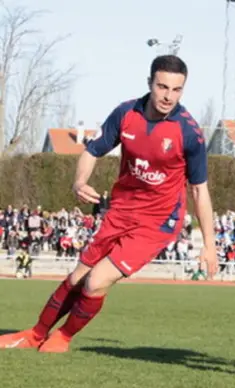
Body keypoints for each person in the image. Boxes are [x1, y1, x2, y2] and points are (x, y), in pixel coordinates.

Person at [0, 55, 218, 353]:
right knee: (77, 277)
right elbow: (92, 151)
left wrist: (209, 244)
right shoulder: (126, 113)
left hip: (156, 222)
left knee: (95, 282)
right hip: (121, 211)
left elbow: (199, 191)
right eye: (162, 86)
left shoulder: (189, 133)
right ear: (150, 83)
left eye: (177, 90)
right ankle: (35, 335)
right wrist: (79, 181)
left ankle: (62, 337)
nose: (168, 96)